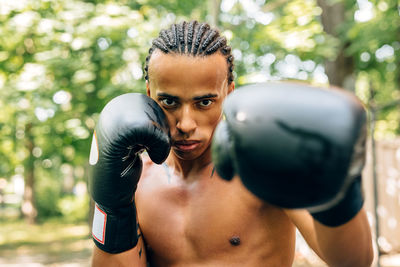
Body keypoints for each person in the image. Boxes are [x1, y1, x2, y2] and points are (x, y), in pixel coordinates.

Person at [88, 20, 373, 267]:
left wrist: (338, 195)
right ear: (150, 94)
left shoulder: (259, 164)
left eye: (204, 102)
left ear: (228, 93)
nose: (186, 124)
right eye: (170, 101)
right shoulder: (134, 175)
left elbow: (353, 262)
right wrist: (113, 210)